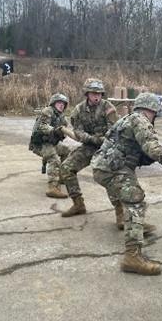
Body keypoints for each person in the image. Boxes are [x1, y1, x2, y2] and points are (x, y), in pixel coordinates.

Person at [91, 92, 162, 276]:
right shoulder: (141, 120)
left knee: (127, 195)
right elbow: (152, 147)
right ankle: (132, 257)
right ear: (152, 110)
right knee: (135, 200)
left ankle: (130, 223)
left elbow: (131, 150)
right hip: (113, 169)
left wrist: (148, 158)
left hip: (102, 167)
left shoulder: (125, 119)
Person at [60, 78, 119, 217]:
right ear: (87, 94)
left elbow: (114, 132)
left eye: (99, 93)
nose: (97, 96)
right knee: (66, 168)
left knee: (107, 175)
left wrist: (100, 140)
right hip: (89, 146)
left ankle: (120, 212)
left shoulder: (108, 108)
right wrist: (91, 139)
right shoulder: (78, 110)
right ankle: (78, 204)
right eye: (93, 93)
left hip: (106, 148)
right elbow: (78, 131)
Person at [29, 93, 72, 198]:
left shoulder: (61, 116)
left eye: (63, 103)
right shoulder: (48, 111)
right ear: (53, 103)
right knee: (54, 159)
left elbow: (65, 129)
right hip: (40, 143)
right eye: (59, 103)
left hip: (51, 143)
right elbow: (42, 126)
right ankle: (53, 188)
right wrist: (54, 130)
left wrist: (64, 133)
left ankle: (61, 177)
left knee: (66, 150)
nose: (61, 105)